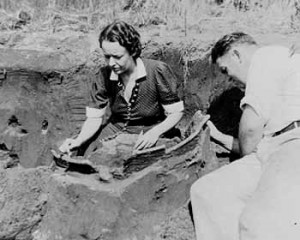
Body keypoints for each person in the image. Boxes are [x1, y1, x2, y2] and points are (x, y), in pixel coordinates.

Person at [190, 32, 300, 240]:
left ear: (237, 55)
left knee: (256, 223)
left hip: (294, 144)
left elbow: (250, 129)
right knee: (206, 192)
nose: (232, 81)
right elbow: (255, 144)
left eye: (227, 71)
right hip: (274, 148)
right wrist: (219, 136)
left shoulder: (264, 57)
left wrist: (250, 151)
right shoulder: (276, 76)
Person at [59, 21, 184, 156]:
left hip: (150, 129)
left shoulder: (156, 71)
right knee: (84, 153)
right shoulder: (103, 75)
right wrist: (79, 140)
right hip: (114, 129)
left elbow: (176, 112)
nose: (111, 63)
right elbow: (94, 118)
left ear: (133, 51)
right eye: (107, 56)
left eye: (118, 57)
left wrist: (155, 133)